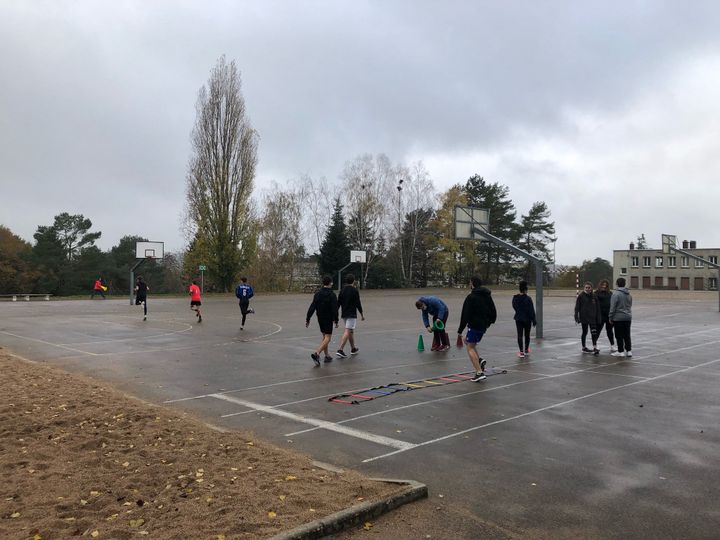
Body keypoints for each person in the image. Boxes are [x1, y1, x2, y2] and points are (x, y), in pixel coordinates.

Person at [457, 276, 497, 382]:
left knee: (470, 347)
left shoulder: (471, 297)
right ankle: (479, 361)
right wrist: (489, 322)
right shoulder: (487, 296)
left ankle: (479, 372)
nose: (469, 284)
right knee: (468, 341)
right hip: (483, 326)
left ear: (473, 284)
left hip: (474, 325)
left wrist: (460, 330)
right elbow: (493, 311)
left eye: (470, 283)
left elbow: (465, 314)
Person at [305, 275, 339, 366]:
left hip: (320, 317)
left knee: (324, 336)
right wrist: (336, 319)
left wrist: (308, 318)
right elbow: (334, 309)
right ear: (331, 283)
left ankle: (327, 355)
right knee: (328, 337)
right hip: (328, 318)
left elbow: (312, 307)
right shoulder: (332, 295)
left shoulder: (317, 294)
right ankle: (317, 353)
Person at [336, 274, 364, 358]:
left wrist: (335, 314)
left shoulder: (342, 290)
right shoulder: (354, 290)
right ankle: (340, 349)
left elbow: (338, 303)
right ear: (353, 281)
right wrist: (362, 314)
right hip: (351, 314)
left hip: (344, 314)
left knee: (350, 331)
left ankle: (353, 348)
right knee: (348, 330)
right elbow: (358, 303)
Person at [574, 281, 601, 355]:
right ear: (584, 288)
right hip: (584, 318)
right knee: (584, 332)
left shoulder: (594, 296)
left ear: (591, 288)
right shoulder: (581, 296)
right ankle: (583, 347)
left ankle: (595, 347)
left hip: (592, 318)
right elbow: (577, 307)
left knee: (594, 333)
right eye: (586, 287)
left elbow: (598, 308)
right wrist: (576, 317)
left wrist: (598, 317)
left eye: (589, 287)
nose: (587, 289)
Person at [609, 277, 633, 357]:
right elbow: (630, 305)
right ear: (624, 284)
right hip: (628, 317)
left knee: (619, 335)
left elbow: (612, 307)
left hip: (618, 317)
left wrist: (610, 317)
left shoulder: (615, 294)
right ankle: (629, 350)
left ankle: (621, 351)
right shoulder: (629, 294)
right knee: (627, 334)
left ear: (617, 284)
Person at [512, 280, 536, 358]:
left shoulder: (515, 298)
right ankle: (526, 349)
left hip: (518, 318)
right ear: (526, 289)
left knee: (519, 335)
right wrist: (533, 319)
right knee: (527, 335)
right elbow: (531, 310)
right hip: (527, 319)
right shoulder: (528, 299)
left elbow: (514, 307)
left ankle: (521, 352)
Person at [595, 279, 617, 353]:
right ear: (600, 285)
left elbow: (613, 304)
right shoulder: (596, 293)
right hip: (600, 315)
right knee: (598, 331)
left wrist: (613, 314)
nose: (604, 286)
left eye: (605, 285)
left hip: (609, 315)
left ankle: (612, 345)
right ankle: (595, 345)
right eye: (602, 284)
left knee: (610, 331)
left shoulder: (610, 293)